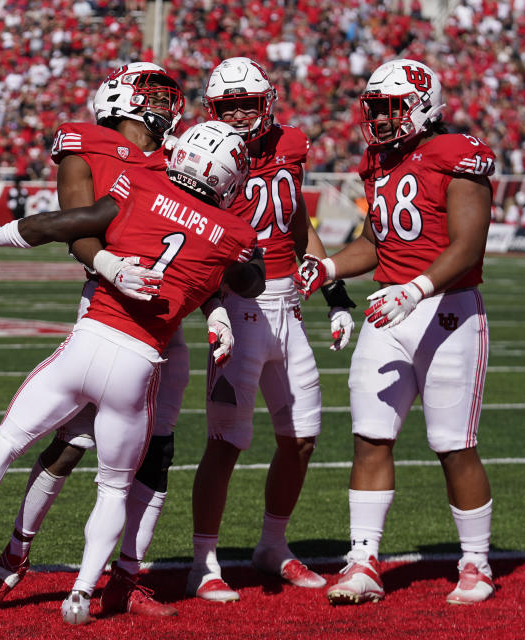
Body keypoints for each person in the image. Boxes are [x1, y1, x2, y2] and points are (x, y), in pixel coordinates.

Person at [0, 121, 264, 625]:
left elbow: (65, 224)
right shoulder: (234, 233)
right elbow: (248, 279)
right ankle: (81, 591)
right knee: (114, 487)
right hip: (139, 364)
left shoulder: (141, 183)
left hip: (87, 342)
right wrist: (221, 291)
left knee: (6, 442)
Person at [0, 62, 190, 619]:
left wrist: (218, 313)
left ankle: (127, 580)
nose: (167, 109)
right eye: (155, 97)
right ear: (120, 99)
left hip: (166, 320)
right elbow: (78, 224)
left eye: (168, 97)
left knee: (156, 452)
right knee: (71, 441)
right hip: (109, 306)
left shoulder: (177, 156)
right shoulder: (86, 141)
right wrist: (111, 263)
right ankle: (17, 551)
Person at [300, 59, 496, 606]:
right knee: (370, 436)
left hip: (446, 311)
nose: (381, 121)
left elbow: (468, 245)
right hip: (390, 311)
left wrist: (415, 289)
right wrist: (331, 268)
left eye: (391, 108)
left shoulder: (458, 153)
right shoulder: (379, 161)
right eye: (376, 110)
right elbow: (378, 241)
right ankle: (363, 559)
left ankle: (476, 563)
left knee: (453, 445)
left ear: (423, 105)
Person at [187, 57, 356, 602]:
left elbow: (296, 222)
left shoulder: (292, 144)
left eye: (247, 103)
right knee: (226, 441)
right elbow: (188, 237)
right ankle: (203, 560)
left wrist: (334, 291)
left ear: (268, 102)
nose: (237, 114)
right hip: (236, 306)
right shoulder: (200, 152)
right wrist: (210, 306)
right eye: (227, 105)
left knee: (302, 437)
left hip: (290, 306)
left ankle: (271, 545)